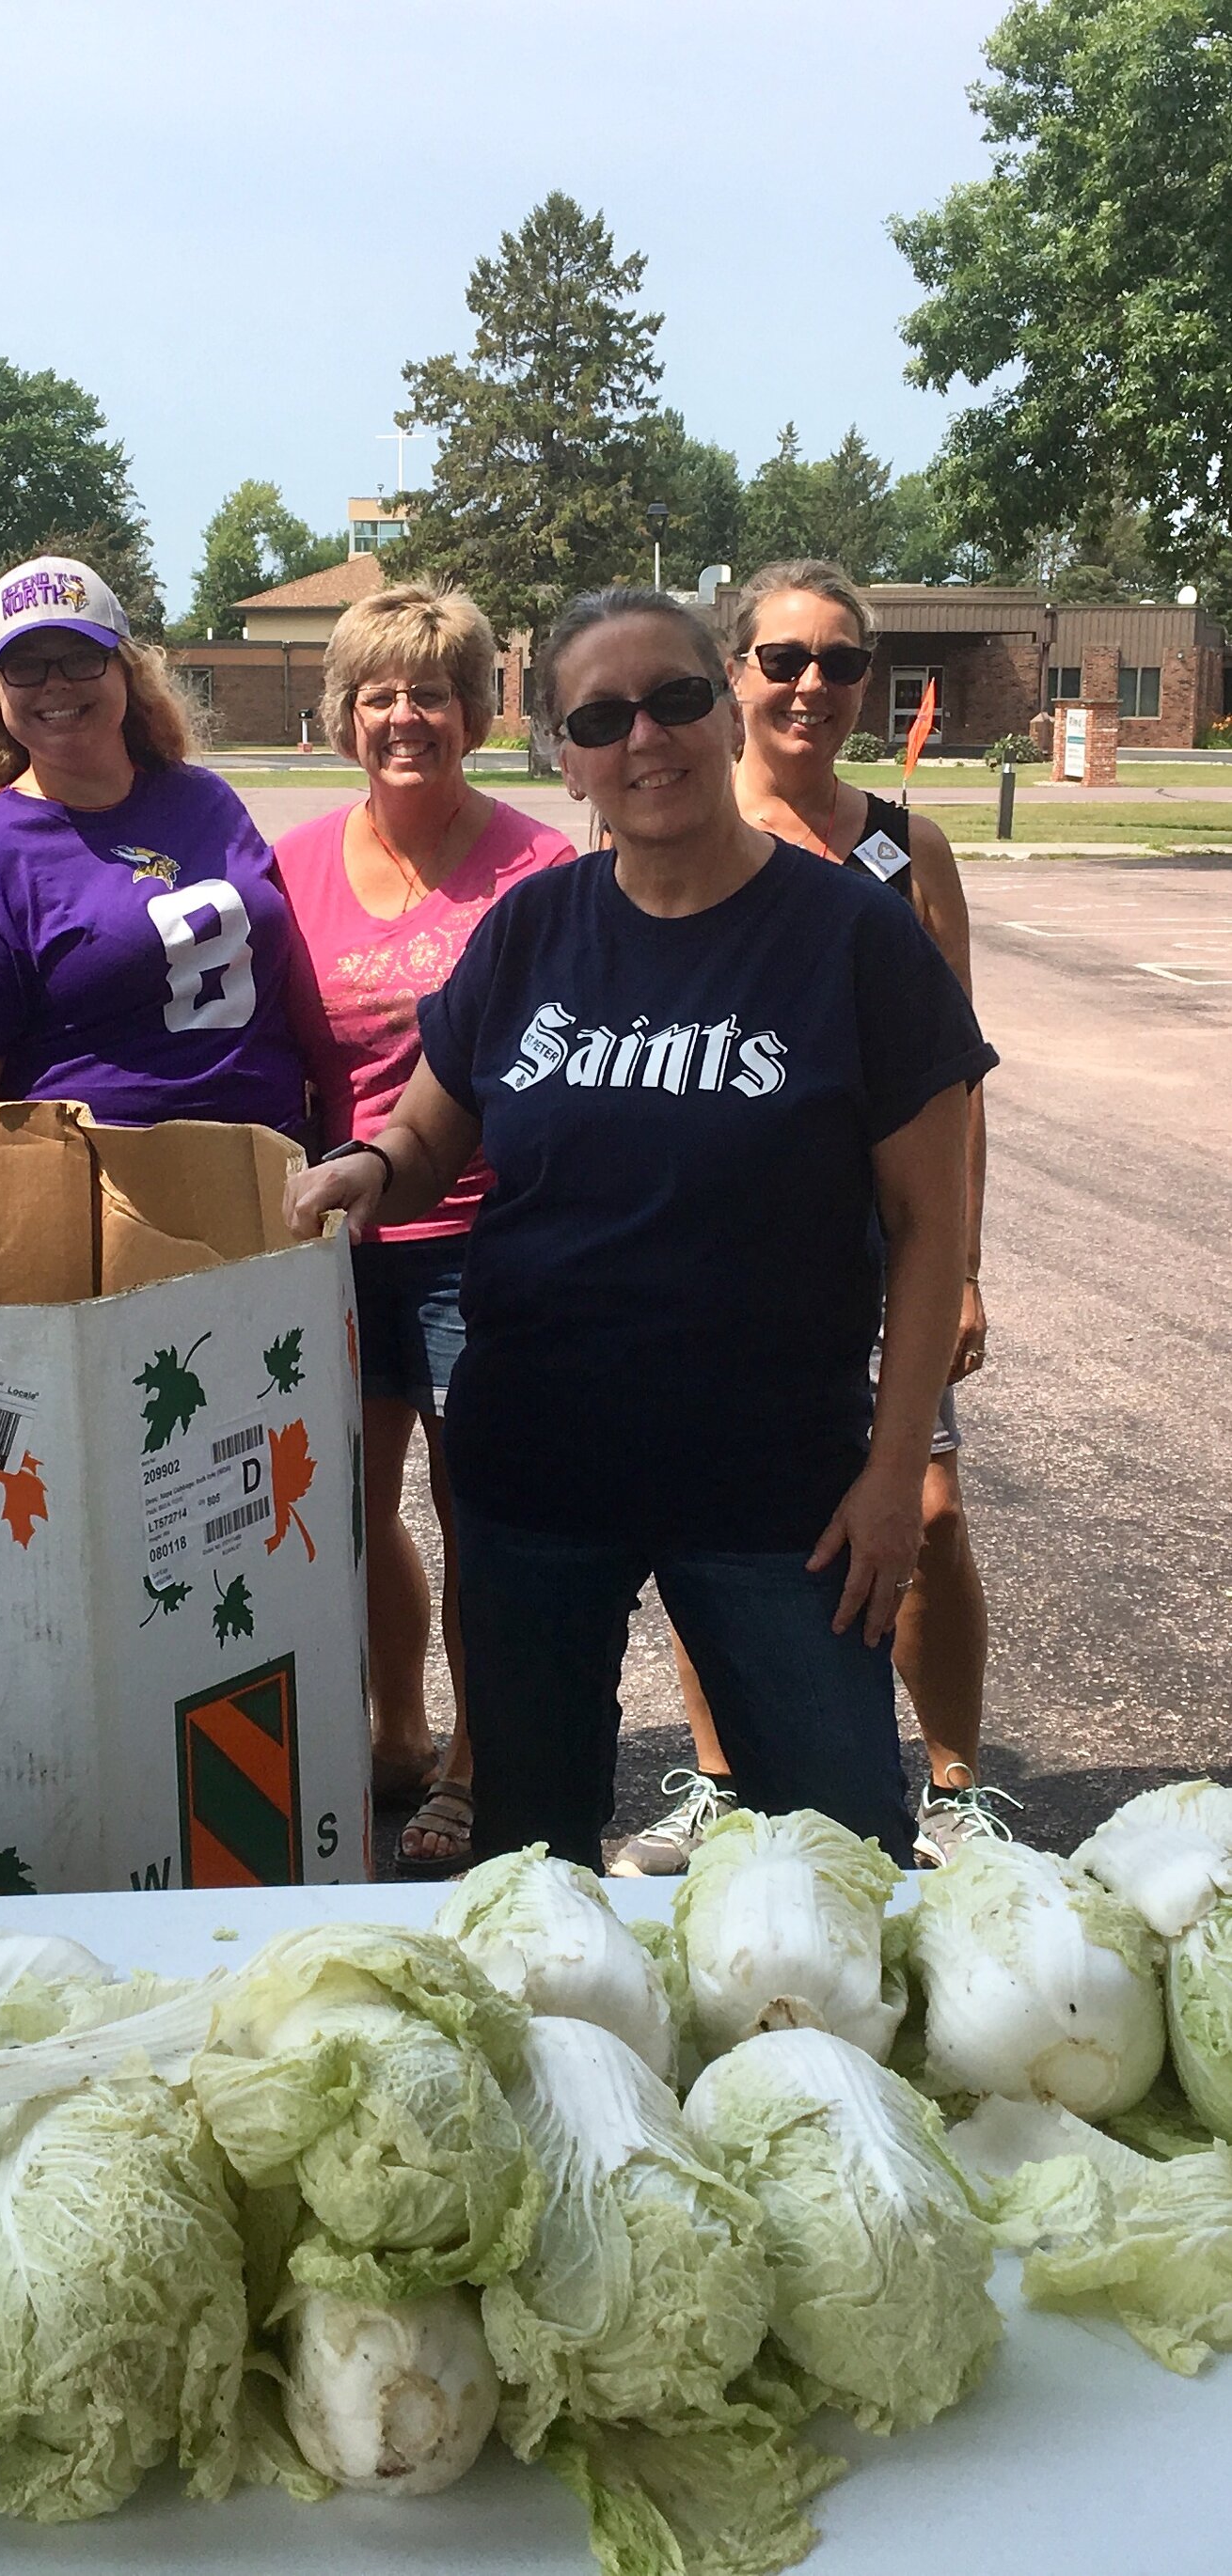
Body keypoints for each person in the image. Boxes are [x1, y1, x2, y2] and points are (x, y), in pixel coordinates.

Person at [286, 588, 997, 1873]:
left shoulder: (853, 940)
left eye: (674, 700)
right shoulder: (533, 931)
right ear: (566, 758)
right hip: (539, 1472)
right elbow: (431, 1134)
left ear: (724, 712)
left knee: (844, 1847)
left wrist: (896, 1477)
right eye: (601, 717)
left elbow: (929, 1217)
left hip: (777, 1490)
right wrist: (362, 1169)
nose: (645, 739)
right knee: (536, 1853)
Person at [608, 559, 999, 1876]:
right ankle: (721, 1775)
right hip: (726, 1243)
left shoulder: (902, 848)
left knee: (928, 1511)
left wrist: (963, 1272)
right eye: (781, 660)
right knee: (707, 1503)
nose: (809, 687)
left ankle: (953, 1783)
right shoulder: (666, 826)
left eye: (837, 664)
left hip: (883, 1243)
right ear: (733, 677)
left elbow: (955, 1089)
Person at [273, 582, 575, 1873]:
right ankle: (397, 1729)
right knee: (337, 1506)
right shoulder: (289, 869)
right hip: (337, 1242)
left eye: (432, 691)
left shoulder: (543, 870)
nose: (406, 717)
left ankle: (470, 1757)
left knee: (477, 1511)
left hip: (486, 1240)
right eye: (380, 693)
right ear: (346, 717)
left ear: (475, 711)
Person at [0, 556, 305, 1134]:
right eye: (26, 666)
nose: (56, 683)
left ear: (125, 670)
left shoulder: (205, 799)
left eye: (81, 657)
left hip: (275, 1168)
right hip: (108, 1192)